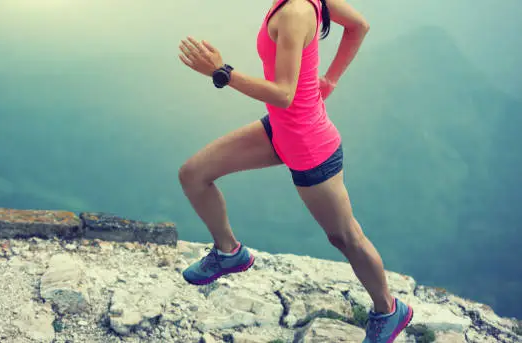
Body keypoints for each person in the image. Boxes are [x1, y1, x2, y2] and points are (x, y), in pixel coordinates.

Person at [176, 0, 413, 341]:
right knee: (193, 174)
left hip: (309, 146)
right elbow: (358, 26)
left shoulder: (295, 12)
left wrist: (222, 72)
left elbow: (284, 94)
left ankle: (389, 309)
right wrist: (328, 81)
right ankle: (229, 253)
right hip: (279, 130)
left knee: (345, 237)